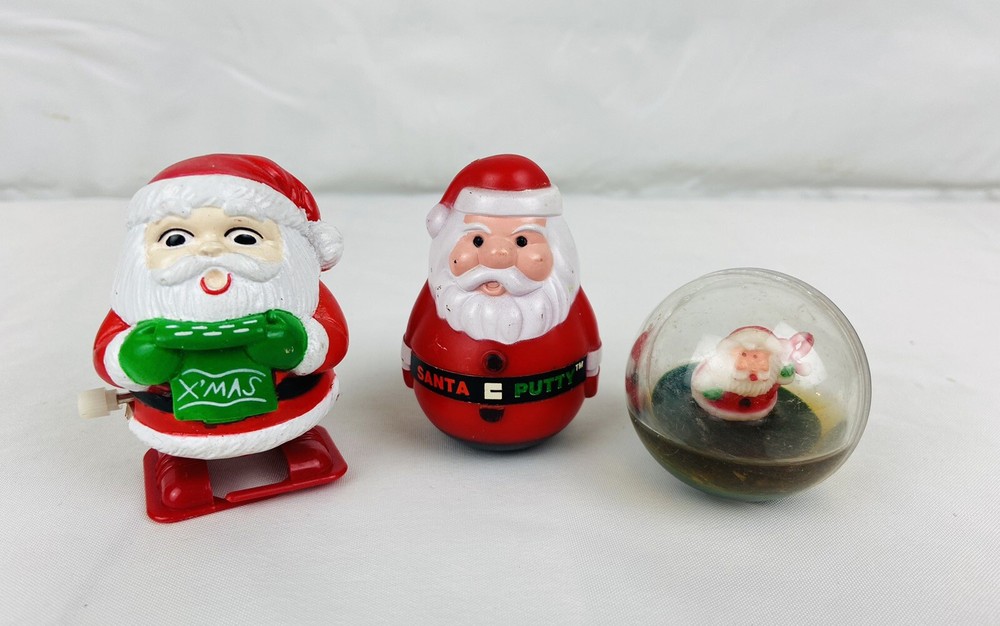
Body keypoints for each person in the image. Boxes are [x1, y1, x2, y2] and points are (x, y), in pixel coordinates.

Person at [92, 154, 348, 520]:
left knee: (295, 422)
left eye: (242, 236)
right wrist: (136, 357)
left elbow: (333, 337)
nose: (210, 249)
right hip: (177, 418)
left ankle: (298, 438)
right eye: (176, 238)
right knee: (180, 447)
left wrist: (300, 343)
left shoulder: (301, 294)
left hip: (289, 405)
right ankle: (179, 460)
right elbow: (107, 352)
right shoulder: (136, 302)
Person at [402, 154, 601, 449]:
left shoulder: (562, 298)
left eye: (522, 241)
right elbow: (414, 339)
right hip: (445, 409)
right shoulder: (441, 293)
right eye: (477, 240)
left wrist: (589, 374)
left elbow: (589, 343)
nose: (498, 255)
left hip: (550, 413)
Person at [691, 326, 812, 421]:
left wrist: (788, 366)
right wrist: (709, 389)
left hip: (762, 416)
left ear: (770, 358)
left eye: (756, 357)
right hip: (712, 413)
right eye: (744, 355)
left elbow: (784, 377)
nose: (752, 365)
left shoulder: (774, 371)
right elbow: (702, 381)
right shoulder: (718, 369)